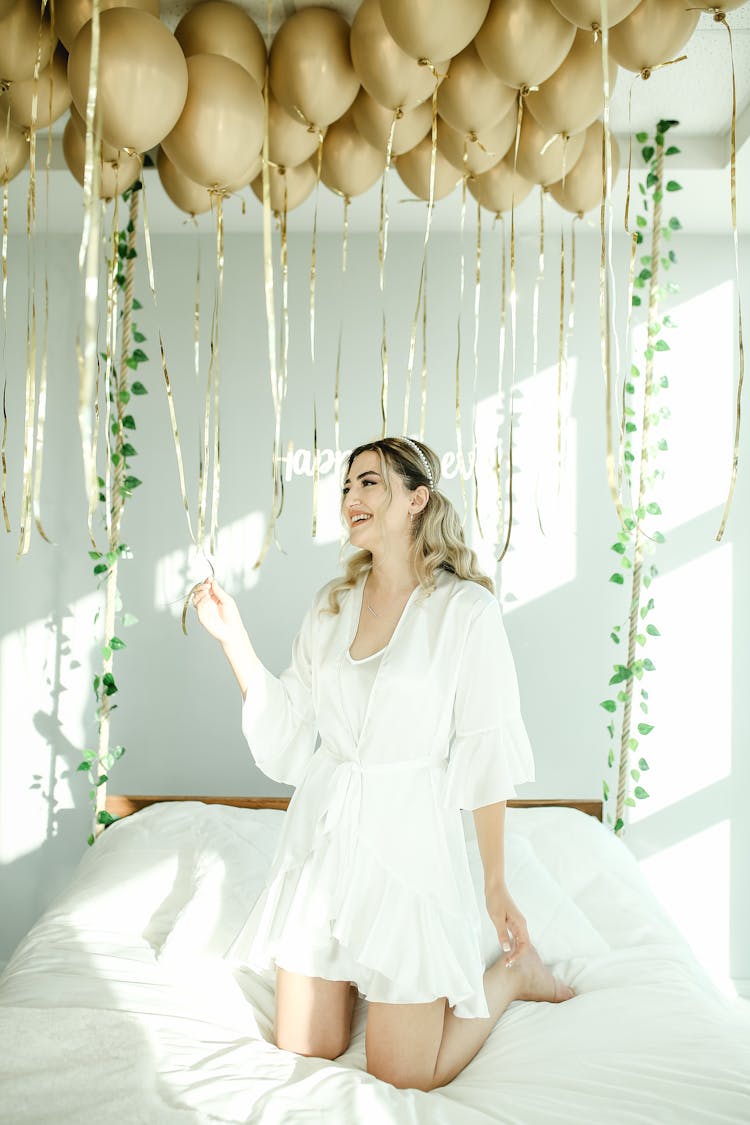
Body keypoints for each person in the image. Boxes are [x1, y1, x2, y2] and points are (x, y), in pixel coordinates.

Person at [192, 435, 575, 1092]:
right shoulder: (331, 606)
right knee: (304, 1043)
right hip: (328, 839)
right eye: (347, 487)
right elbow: (289, 733)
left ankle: (513, 974)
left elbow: (485, 753)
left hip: (408, 843)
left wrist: (493, 883)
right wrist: (234, 642)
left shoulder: (466, 611)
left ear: (416, 499)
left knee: (405, 1074)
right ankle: (361, 972)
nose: (351, 498)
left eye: (369, 483)